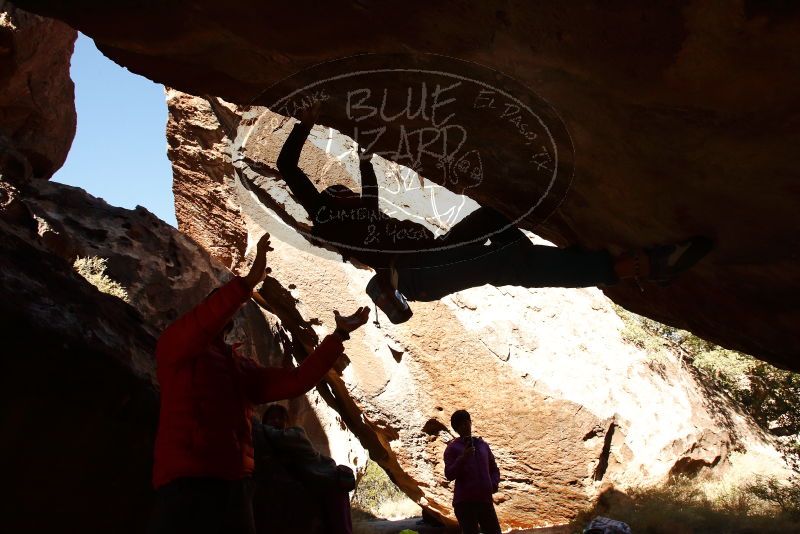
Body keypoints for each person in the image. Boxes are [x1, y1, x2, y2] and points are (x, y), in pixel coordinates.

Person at [275, 103, 712, 323]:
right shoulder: (327, 216)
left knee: (494, 217)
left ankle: (557, 254)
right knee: (504, 264)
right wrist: (307, 120)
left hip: (436, 254)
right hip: (413, 276)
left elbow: (369, 190)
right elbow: (287, 167)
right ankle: (636, 266)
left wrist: (365, 158)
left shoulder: (360, 213)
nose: (346, 193)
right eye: (339, 191)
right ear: (329, 198)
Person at [149, 233, 370, 534]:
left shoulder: (240, 369)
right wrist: (246, 283)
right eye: (220, 303)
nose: (225, 311)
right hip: (187, 480)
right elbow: (202, 323)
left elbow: (295, 381)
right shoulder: (177, 347)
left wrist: (338, 336)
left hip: (236, 482)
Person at [252, 404, 354, 534]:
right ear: (265, 421)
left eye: (280, 418)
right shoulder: (266, 440)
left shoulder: (295, 434)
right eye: (272, 418)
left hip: (329, 477)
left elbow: (279, 437)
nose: (276, 421)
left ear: (287, 423)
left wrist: (256, 425)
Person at [443, 410, 501, 534]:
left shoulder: (482, 445)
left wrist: (493, 484)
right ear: (456, 429)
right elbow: (449, 474)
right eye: (461, 425)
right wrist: (462, 458)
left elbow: (494, 468)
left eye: (467, 422)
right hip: (464, 503)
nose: (466, 426)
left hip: (485, 500)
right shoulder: (452, 448)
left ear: (470, 423)